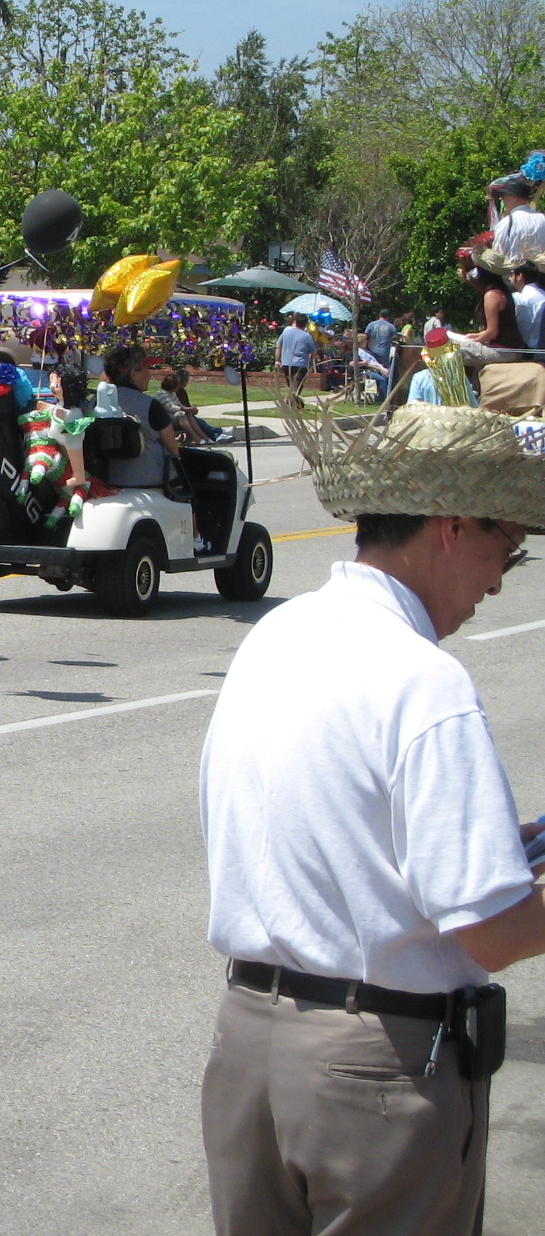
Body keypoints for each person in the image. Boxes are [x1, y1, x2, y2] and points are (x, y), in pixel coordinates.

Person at [201, 401, 545, 1234]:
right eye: (508, 544)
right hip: (377, 1069)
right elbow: (493, 932)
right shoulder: (423, 678)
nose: (503, 575)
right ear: (453, 526)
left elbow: (324, 832)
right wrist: (506, 885)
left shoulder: (278, 635)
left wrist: (495, 848)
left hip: (249, 1048)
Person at [99, 344, 184, 489]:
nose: (150, 374)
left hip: (103, 482)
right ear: (133, 374)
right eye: (146, 369)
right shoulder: (151, 406)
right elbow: (174, 450)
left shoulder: (94, 403)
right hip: (149, 483)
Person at [489, 168, 545, 268]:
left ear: (514, 197)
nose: (502, 199)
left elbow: (496, 257)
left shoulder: (507, 223)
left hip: (515, 277)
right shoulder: (542, 219)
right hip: (541, 278)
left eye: (504, 195)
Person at [161, 367, 221, 444]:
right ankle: (202, 437)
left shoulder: (174, 393)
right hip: (167, 419)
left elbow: (180, 404)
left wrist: (191, 409)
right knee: (186, 416)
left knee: (190, 416)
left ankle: (204, 438)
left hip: (177, 416)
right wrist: (188, 409)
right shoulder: (162, 394)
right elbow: (171, 408)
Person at [275, 315, 316, 395]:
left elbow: (278, 346)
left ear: (295, 322)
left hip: (286, 363)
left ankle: (293, 404)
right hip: (300, 364)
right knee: (296, 388)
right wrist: (312, 362)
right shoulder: (307, 336)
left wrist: (277, 360)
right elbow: (313, 352)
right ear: (306, 324)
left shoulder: (286, 333)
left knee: (291, 387)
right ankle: (291, 403)